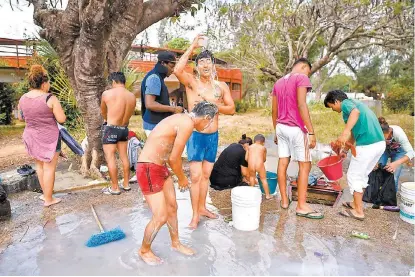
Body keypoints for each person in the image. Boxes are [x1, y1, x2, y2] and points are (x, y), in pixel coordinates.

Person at [136, 101, 218, 265]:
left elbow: (172, 156)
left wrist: (177, 173)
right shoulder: (187, 123)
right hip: (148, 168)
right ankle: (144, 250)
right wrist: (181, 178)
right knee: (160, 216)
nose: (209, 125)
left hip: (160, 166)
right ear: (207, 117)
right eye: (210, 122)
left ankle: (176, 243)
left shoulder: (184, 120)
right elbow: (175, 158)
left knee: (172, 207)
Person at [174, 35, 236, 229]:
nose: (205, 64)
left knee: (206, 175)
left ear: (213, 65)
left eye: (208, 61)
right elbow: (177, 69)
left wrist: (213, 105)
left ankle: (202, 208)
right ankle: (194, 215)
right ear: (197, 67)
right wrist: (192, 45)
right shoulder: (192, 83)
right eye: (201, 62)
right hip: (195, 136)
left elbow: (232, 109)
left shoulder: (221, 87)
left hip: (213, 137)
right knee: (195, 176)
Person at [272, 58, 322, 219]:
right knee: (305, 166)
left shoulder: (278, 82)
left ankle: (285, 201)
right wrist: (311, 132)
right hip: (296, 129)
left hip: (281, 127)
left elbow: (274, 110)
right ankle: (301, 206)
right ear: (303, 67)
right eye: (308, 71)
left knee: (283, 162)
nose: (308, 75)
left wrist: (275, 131)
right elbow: (302, 105)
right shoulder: (301, 77)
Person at [324, 90, 385, 221]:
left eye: (331, 106)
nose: (333, 110)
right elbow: (353, 134)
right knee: (362, 175)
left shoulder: (346, 104)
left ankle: (358, 211)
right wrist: (345, 150)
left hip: (368, 145)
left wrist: (344, 132)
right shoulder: (355, 105)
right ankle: (355, 204)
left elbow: (353, 119)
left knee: (354, 175)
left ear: (336, 101)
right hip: (379, 144)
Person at [17, 64, 66, 207]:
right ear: (43, 83)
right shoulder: (50, 98)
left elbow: (21, 118)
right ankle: (49, 199)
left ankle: (46, 195)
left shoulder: (23, 98)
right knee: (49, 168)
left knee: (39, 166)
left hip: (32, 136)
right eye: (48, 82)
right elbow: (61, 119)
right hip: (50, 137)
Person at [100, 72, 136, 195]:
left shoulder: (107, 94)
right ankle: (126, 184)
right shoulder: (131, 96)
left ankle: (115, 188)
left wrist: (106, 119)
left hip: (111, 128)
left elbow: (103, 112)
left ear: (114, 82)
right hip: (124, 129)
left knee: (110, 157)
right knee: (124, 156)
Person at [141, 51, 183, 137]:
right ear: (163, 63)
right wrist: (173, 109)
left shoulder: (158, 77)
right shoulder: (154, 78)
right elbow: (150, 104)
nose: (172, 70)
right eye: (171, 66)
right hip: (153, 125)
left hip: (156, 124)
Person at [377, 117, 414, 192]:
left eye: (383, 138)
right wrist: (374, 162)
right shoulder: (377, 133)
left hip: (399, 151)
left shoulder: (398, 133)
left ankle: (391, 200)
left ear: (389, 132)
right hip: (385, 150)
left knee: (394, 176)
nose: (382, 139)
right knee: (378, 171)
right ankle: (379, 195)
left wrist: (396, 163)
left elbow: (412, 153)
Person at [247, 134, 272, 199]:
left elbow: (246, 158)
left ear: (254, 140)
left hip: (251, 164)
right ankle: (267, 195)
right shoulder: (263, 148)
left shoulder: (249, 147)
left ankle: (251, 194)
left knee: (252, 177)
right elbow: (264, 159)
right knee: (263, 179)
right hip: (259, 165)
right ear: (263, 142)